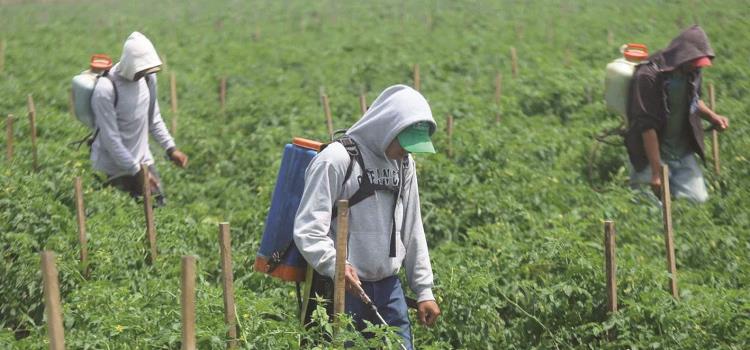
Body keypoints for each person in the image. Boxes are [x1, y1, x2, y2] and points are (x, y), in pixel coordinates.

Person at [294, 85, 441, 349]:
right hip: (344, 289)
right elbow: (308, 229)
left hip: (389, 288)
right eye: (404, 144)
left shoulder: (404, 163)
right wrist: (335, 266)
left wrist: (424, 291)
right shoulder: (337, 159)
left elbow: (412, 226)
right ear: (388, 128)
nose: (406, 152)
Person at [625, 25, 729, 203]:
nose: (696, 68)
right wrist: (657, 173)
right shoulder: (648, 74)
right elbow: (647, 126)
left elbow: (694, 100)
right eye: (693, 63)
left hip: (681, 151)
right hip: (650, 154)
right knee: (648, 206)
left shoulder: (693, 72)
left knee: (697, 201)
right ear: (683, 56)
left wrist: (713, 117)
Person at [90, 32, 188, 205]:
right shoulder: (106, 89)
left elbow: (153, 119)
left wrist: (171, 149)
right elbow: (111, 139)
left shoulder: (149, 78)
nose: (143, 74)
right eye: (140, 70)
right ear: (130, 64)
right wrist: (138, 172)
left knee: (157, 211)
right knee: (116, 219)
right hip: (111, 169)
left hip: (143, 162)